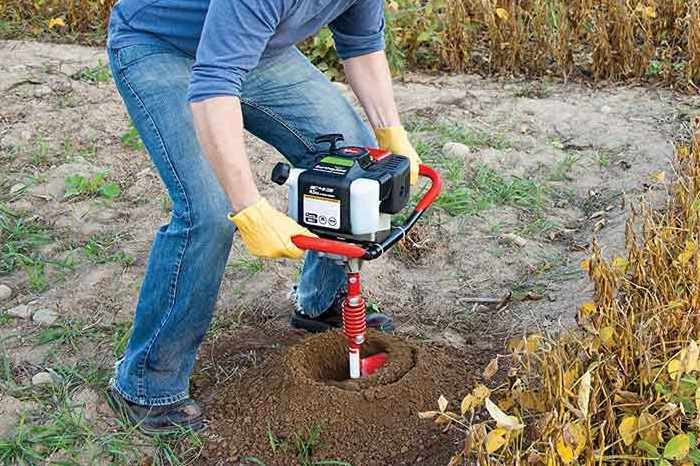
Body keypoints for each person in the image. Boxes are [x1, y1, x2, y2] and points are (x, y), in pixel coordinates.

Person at [105, 0, 422, 434]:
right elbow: (215, 85)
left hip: (252, 52)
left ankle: (319, 304)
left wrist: (391, 134)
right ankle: (145, 382)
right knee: (210, 212)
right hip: (160, 45)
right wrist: (249, 206)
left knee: (355, 162)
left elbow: (362, 44)